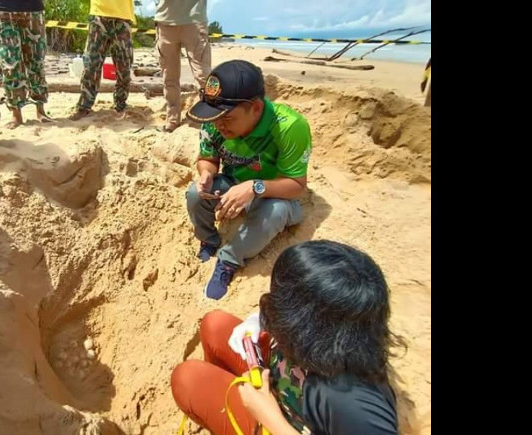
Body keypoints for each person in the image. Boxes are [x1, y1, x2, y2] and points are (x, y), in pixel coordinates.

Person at [171, 240, 403, 435]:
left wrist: (270, 418)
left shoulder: (352, 402)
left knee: (187, 379)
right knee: (215, 324)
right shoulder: (343, 331)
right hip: (280, 385)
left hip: (285, 421)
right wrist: (259, 321)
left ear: (305, 325)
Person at [184, 59, 311, 299]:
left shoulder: (290, 127)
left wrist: (255, 187)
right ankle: (208, 239)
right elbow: (206, 157)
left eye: (227, 118)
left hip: (275, 193)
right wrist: (206, 173)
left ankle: (229, 260)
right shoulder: (216, 122)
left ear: (256, 109)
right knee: (194, 193)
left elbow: (297, 187)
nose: (219, 124)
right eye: (214, 116)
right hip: (232, 184)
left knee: (275, 212)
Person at [0, 0, 53, 128]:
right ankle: (16, 114)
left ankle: (41, 110)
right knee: (10, 64)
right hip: (0, 10)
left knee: (36, 62)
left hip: (32, 9)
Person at [68, 0, 136, 121]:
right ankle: (84, 106)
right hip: (99, 15)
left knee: (124, 66)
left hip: (123, 18)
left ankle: (121, 104)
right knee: (91, 65)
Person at [153, 0, 212, 132]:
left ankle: (210, 117)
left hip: (194, 20)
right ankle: (172, 120)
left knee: (203, 75)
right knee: (169, 77)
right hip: (165, 21)